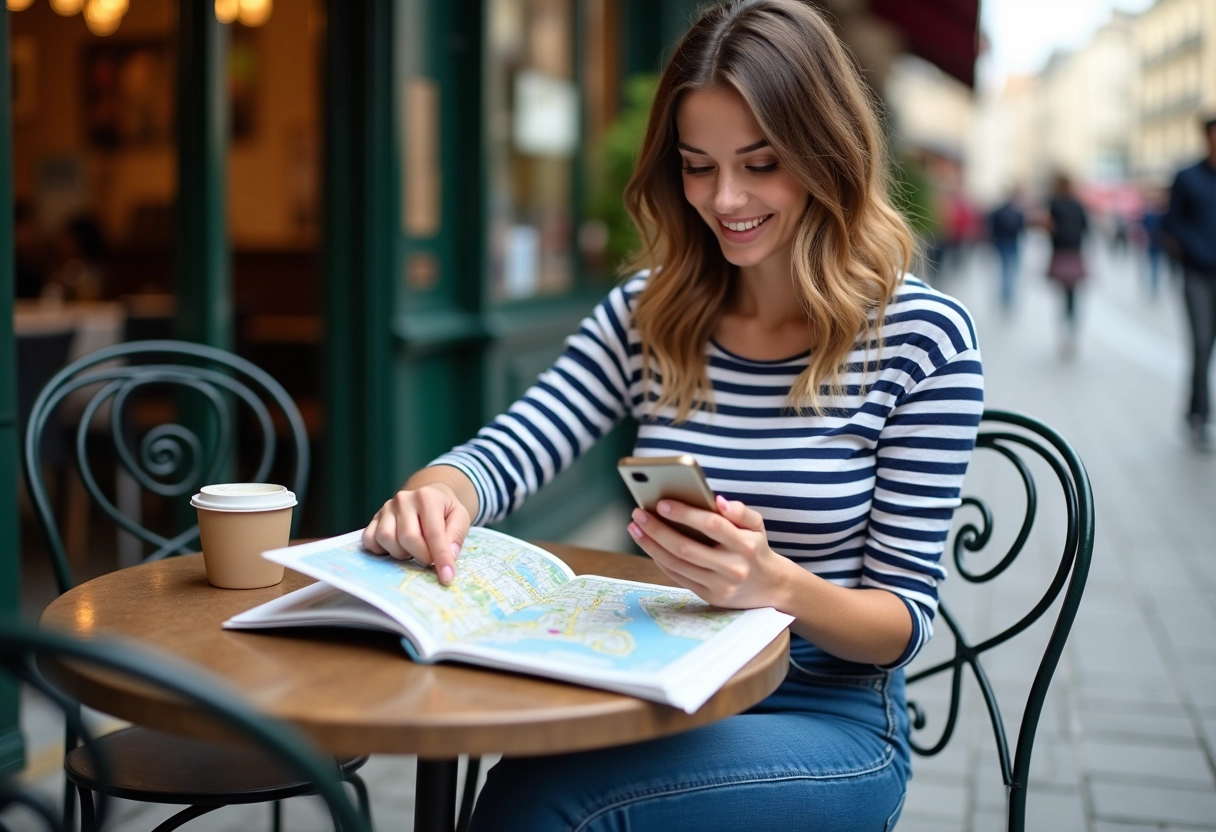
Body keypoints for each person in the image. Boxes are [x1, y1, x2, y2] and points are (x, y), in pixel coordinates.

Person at [363, 2, 984, 828]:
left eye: (761, 163)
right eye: (698, 166)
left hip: (830, 719)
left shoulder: (922, 338)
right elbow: (517, 444)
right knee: (531, 780)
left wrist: (775, 584)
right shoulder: (650, 312)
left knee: (548, 799)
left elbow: (903, 623)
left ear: (827, 154)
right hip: (665, 684)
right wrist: (439, 491)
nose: (725, 198)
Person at [1164, 114, 1216, 453]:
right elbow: (1171, 223)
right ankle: (1199, 416)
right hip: (1197, 274)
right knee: (1201, 344)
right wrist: (1192, 250)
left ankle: (1194, 410)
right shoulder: (1187, 177)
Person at [1045, 174, 1089, 358]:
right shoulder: (1078, 205)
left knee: (1063, 296)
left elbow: (1049, 228)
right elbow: (1086, 228)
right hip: (1074, 253)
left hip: (1060, 253)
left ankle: (1065, 328)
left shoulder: (1054, 204)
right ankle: (1071, 329)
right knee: (1073, 296)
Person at [988, 188, 1026, 313]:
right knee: (1011, 270)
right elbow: (1022, 228)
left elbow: (992, 226)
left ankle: (1004, 295)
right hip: (1012, 243)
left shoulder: (998, 211)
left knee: (1004, 270)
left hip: (1001, 243)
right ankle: (1008, 295)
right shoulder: (1017, 212)